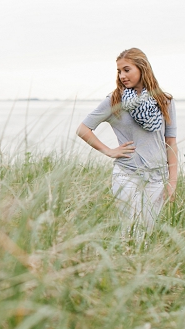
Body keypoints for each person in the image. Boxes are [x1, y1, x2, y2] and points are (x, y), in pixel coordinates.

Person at [76, 48, 178, 236]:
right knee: (130, 231)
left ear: (142, 68)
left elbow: (170, 141)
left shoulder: (164, 101)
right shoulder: (115, 100)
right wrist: (109, 151)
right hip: (127, 175)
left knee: (148, 232)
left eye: (126, 69)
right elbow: (83, 129)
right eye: (119, 71)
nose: (122, 75)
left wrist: (172, 181)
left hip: (157, 178)